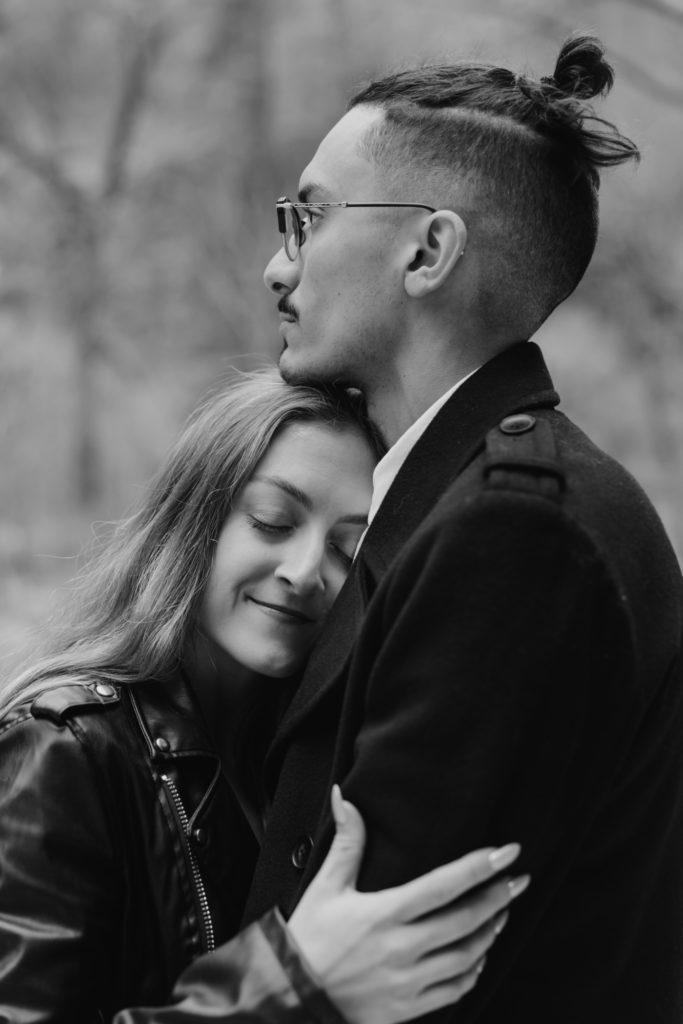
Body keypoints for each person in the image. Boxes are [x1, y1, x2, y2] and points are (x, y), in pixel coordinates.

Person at [244, 33, 683, 1023]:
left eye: (308, 218)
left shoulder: (517, 537)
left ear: (428, 251)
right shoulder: (462, 500)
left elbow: (382, 988)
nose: (279, 265)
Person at [0, 368, 526, 1023]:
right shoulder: (62, 750)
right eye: (273, 520)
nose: (305, 573)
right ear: (194, 524)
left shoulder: (317, 755)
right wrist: (291, 987)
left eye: (347, 548)